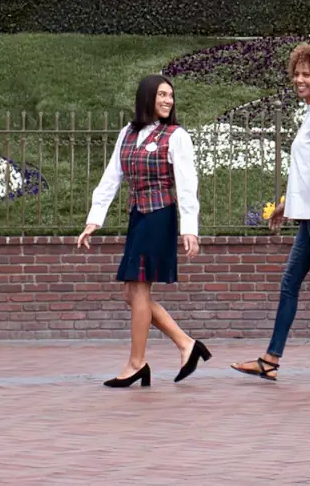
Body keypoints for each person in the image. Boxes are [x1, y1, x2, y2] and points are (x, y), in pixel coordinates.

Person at [232, 42, 310, 385]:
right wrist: (286, 205)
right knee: (290, 283)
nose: (299, 80)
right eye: (297, 73)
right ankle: (270, 360)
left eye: (307, 74)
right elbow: (306, 171)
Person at [77, 74, 213, 387]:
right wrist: (94, 219)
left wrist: (190, 228)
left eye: (171, 96)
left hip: (159, 215)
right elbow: (112, 176)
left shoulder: (176, 136)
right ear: (147, 97)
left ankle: (137, 363)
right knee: (130, 293)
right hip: (138, 215)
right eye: (162, 95)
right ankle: (186, 344)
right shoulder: (127, 133)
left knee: (138, 290)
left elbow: (187, 183)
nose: (168, 100)